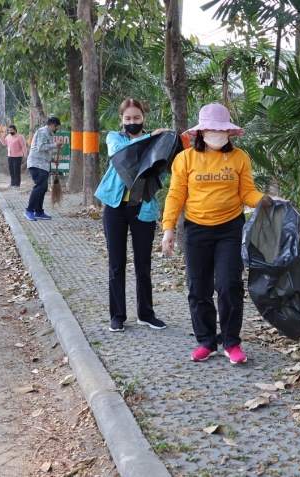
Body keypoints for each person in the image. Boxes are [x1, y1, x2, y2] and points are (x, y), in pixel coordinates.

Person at [161, 103, 275, 364]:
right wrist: (168, 229)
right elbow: (176, 195)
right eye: (212, 129)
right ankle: (206, 341)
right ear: (201, 132)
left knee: (228, 285)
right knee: (198, 287)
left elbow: (247, 193)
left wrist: (266, 200)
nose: (217, 134)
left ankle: (231, 342)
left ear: (229, 132)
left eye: (222, 129)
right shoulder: (185, 159)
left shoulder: (239, 158)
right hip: (195, 230)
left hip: (230, 229)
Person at [95, 99, 170, 333]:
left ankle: (146, 314)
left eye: (137, 118)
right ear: (121, 119)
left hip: (143, 207)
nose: (132, 122)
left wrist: (158, 142)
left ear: (143, 118)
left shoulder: (155, 142)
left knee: (143, 264)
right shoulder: (114, 138)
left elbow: (161, 170)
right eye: (128, 118)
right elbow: (123, 154)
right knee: (116, 264)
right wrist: (151, 139)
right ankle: (117, 316)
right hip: (115, 207)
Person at [25, 117, 61, 221]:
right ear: (53, 126)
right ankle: (29, 210)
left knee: (43, 187)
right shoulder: (43, 132)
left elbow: (44, 151)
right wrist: (55, 144)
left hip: (43, 165)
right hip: (37, 164)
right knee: (40, 187)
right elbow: (40, 147)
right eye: (57, 127)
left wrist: (52, 159)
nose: (56, 129)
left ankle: (39, 211)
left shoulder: (48, 134)